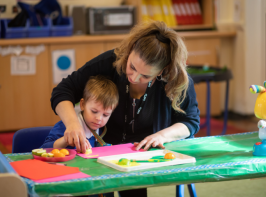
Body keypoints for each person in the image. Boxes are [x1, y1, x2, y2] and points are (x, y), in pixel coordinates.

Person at [51, 21, 200, 197]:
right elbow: (62, 91)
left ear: (161, 72)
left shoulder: (175, 79)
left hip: (138, 158)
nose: (135, 78)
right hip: (98, 153)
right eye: (132, 67)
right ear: (130, 51)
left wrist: (162, 135)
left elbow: (190, 121)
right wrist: (73, 125)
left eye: (145, 76)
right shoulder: (109, 62)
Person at [41, 75, 119, 149]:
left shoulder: (100, 130)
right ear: (82, 104)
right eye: (94, 111)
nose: (99, 118)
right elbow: (43, 149)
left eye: (105, 115)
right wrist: (65, 140)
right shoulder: (65, 126)